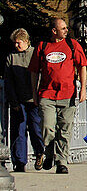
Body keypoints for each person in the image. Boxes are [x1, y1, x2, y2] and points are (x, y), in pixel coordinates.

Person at [29, 17, 87, 175]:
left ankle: (61, 161)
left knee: (64, 129)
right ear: (54, 31)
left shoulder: (72, 45)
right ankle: (49, 153)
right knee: (47, 126)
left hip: (67, 94)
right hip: (47, 94)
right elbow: (34, 72)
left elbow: (82, 66)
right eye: (63, 28)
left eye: (66, 28)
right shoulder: (42, 46)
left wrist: (83, 89)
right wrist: (34, 93)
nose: (66, 30)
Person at [4, 28, 44, 173]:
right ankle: (20, 161)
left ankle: (39, 151)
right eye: (14, 43)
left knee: (35, 128)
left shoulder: (35, 54)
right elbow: (8, 81)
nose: (16, 45)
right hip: (19, 99)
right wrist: (13, 101)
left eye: (18, 43)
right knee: (19, 131)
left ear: (26, 41)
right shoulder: (11, 57)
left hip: (34, 99)